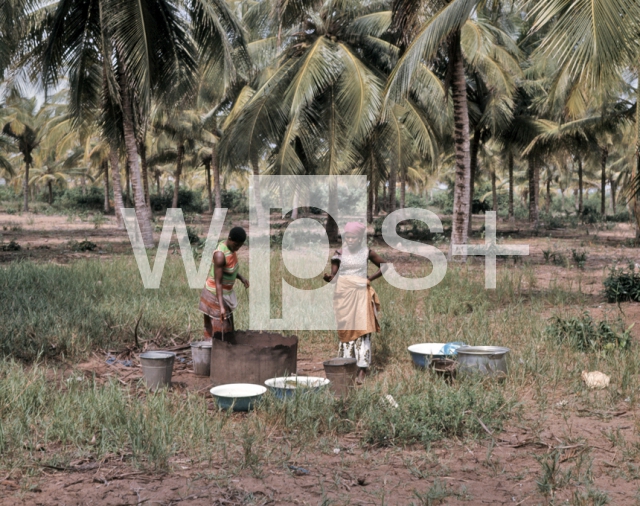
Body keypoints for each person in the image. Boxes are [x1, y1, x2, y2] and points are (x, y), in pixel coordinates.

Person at [323, 222, 385, 383]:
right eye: (347, 237)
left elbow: (385, 266)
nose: (350, 240)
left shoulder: (367, 253)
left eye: (354, 237)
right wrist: (329, 278)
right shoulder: (339, 254)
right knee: (346, 329)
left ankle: (362, 369)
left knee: (363, 330)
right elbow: (334, 276)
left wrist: (368, 279)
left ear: (360, 238)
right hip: (344, 295)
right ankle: (346, 365)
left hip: (361, 294)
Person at [199, 226, 249, 340]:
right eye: (236, 245)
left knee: (227, 329)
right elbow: (218, 282)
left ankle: (218, 354)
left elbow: (230, 269)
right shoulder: (220, 255)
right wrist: (221, 307)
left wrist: (241, 278)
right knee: (221, 330)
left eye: (240, 246)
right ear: (230, 239)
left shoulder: (231, 250)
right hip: (214, 294)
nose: (238, 248)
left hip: (224, 294)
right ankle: (215, 354)